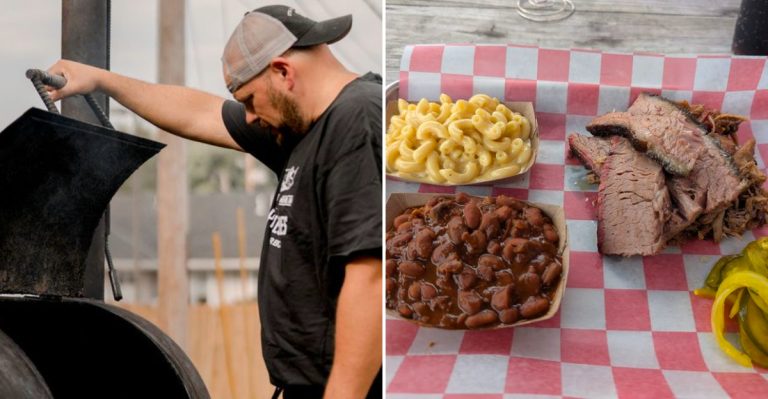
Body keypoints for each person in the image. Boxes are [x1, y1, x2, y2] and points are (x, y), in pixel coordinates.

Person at [46, 5, 382, 399]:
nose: (250, 117)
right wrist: (102, 80)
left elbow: (370, 279)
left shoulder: (356, 120)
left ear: (283, 72)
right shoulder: (300, 128)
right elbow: (198, 113)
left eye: (251, 100)